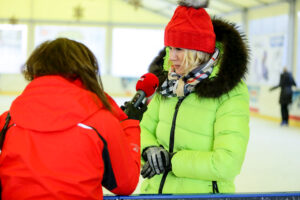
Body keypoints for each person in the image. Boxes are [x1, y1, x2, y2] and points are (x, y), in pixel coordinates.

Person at [0, 38, 142, 200]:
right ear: (85, 71)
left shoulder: (8, 120)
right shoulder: (101, 121)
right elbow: (125, 183)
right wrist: (128, 125)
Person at [139, 0, 250, 194]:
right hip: (154, 193)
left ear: (198, 51)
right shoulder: (168, 84)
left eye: (179, 49)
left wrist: (172, 161)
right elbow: (144, 128)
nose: (171, 57)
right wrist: (148, 149)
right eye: (170, 48)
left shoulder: (230, 92)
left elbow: (227, 163)